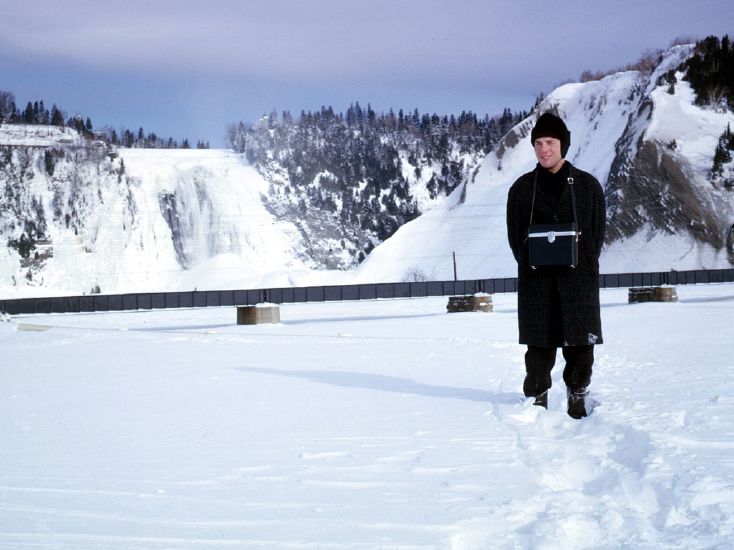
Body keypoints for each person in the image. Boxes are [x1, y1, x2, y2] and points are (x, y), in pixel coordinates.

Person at [506, 112, 606, 418]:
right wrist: (535, 265)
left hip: (578, 280)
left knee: (580, 345)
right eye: (538, 143)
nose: (543, 149)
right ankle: (537, 397)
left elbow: (596, 235)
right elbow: (515, 238)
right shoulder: (522, 189)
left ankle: (577, 394)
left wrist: (580, 264)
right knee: (539, 344)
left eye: (550, 141)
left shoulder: (588, 187)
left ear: (563, 144)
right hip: (537, 281)